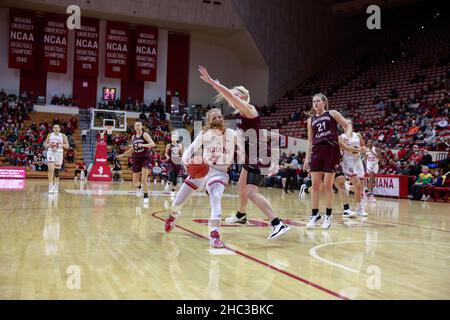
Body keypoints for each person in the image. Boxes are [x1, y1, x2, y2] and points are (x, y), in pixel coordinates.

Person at [198, 66, 290, 240]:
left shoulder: (248, 108)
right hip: (250, 156)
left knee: (250, 193)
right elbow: (230, 98)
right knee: (241, 189)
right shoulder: (240, 113)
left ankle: (278, 223)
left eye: (236, 95)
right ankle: (241, 215)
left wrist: (212, 82)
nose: (232, 98)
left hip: (259, 155)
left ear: (243, 96)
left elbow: (230, 97)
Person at [164, 108, 241, 247]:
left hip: (220, 172)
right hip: (202, 170)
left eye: (220, 116)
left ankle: (215, 233)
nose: (219, 118)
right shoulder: (205, 133)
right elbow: (191, 148)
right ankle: (173, 216)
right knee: (177, 203)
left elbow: (244, 148)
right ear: (210, 121)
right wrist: (185, 161)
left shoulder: (232, 134)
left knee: (216, 197)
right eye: (215, 117)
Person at [303, 93, 351, 229]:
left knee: (328, 186)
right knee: (315, 186)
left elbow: (347, 126)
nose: (315, 103)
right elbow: (310, 140)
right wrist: (307, 158)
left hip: (331, 150)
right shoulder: (310, 120)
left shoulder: (332, 114)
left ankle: (328, 216)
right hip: (317, 152)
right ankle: (314, 214)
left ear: (324, 102)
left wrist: (346, 137)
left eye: (318, 101)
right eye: (313, 101)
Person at [117, 121, 156, 206]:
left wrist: (143, 145)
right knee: (135, 181)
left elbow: (153, 144)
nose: (137, 127)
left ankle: (146, 196)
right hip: (136, 159)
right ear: (134, 127)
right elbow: (132, 150)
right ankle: (139, 187)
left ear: (141, 126)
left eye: (139, 125)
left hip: (145, 158)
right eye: (136, 125)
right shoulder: (133, 137)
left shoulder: (145, 135)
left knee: (144, 179)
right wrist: (123, 154)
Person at [338, 120, 368, 217]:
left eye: (349, 123)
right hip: (348, 162)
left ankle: (348, 187)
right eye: (345, 124)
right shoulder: (341, 138)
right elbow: (342, 149)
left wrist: (363, 149)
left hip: (358, 161)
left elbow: (363, 146)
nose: (347, 125)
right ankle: (359, 209)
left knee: (360, 187)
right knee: (358, 185)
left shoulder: (358, 135)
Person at [44, 124, 69, 194]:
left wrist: (60, 144)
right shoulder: (50, 135)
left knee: (57, 172)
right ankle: (50, 186)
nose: (56, 128)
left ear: (60, 129)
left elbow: (67, 146)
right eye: (55, 127)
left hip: (59, 153)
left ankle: (56, 186)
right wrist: (49, 145)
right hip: (51, 152)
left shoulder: (63, 136)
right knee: (51, 169)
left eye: (57, 127)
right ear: (53, 129)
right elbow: (45, 144)